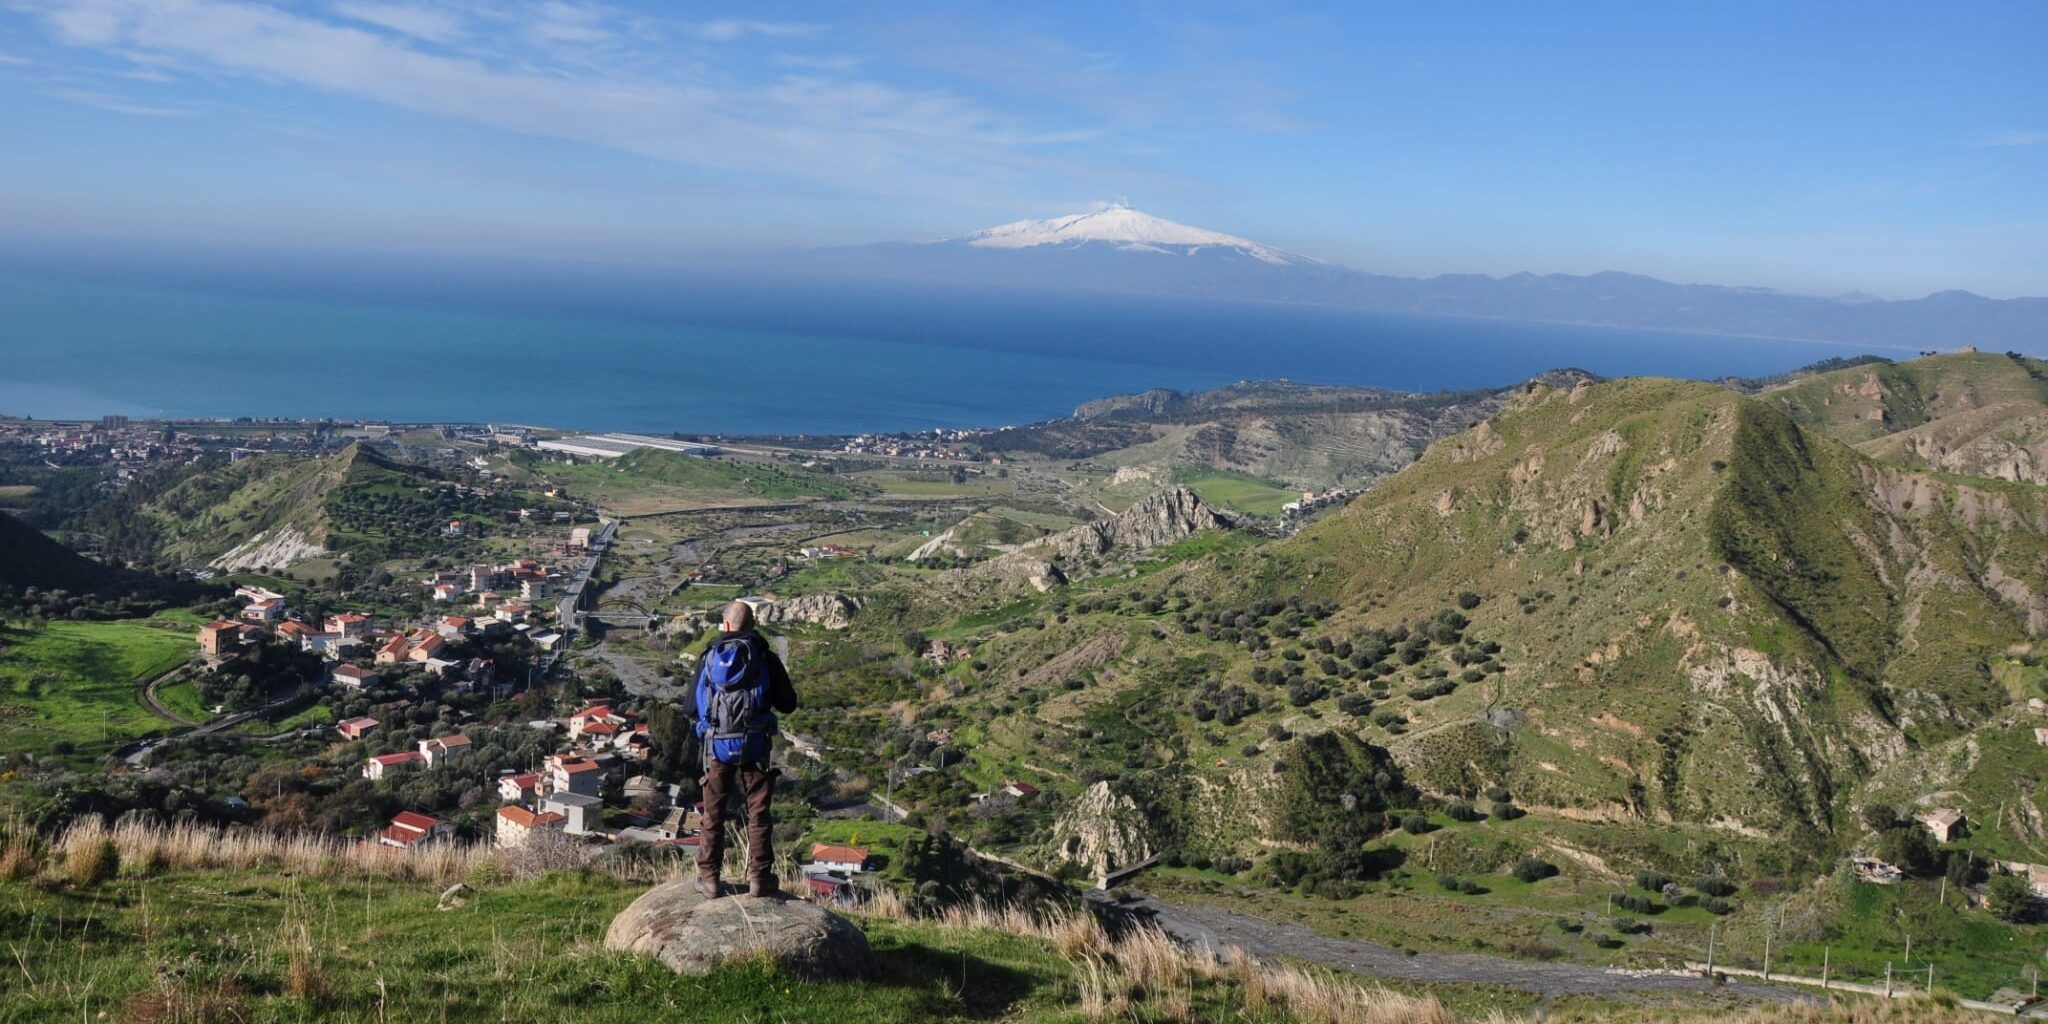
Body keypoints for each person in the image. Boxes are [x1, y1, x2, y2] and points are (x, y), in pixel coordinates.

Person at [693, 599, 797, 898]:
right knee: (758, 812)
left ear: (725, 625)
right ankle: (759, 878)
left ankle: (710, 878)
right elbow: (788, 703)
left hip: (717, 748)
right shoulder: (764, 656)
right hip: (755, 746)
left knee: (713, 813)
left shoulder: (709, 656)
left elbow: (691, 705)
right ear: (752, 626)